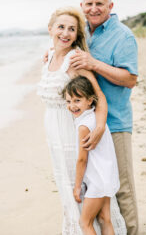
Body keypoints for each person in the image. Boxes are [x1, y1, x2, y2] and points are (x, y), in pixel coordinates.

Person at [37, 6, 126, 234]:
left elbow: (99, 97)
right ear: (50, 30)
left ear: (77, 35)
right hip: (55, 139)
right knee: (69, 194)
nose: (65, 33)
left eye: (72, 29)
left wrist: (98, 129)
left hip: (74, 138)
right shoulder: (48, 57)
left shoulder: (74, 61)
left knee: (81, 195)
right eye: (61, 27)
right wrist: (49, 51)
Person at [70, 0, 139, 235]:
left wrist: (94, 63)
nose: (94, 8)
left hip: (115, 123)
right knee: (94, 187)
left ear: (110, 5)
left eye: (100, 3)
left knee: (121, 188)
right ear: (82, 6)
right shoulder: (82, 33)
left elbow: (130, 79)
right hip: (86, 124)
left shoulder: (123, 36)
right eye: (89, 3)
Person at [62, 75, 120, 235]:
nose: (72, 106)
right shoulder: (96, 118)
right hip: (107, 176)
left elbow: (82, 159)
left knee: (85, 223)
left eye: (77, 100)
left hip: (97, 181)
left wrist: (77, 185)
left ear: (90, 100)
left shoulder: (83, 126)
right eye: (68, 101)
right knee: (104, 218)